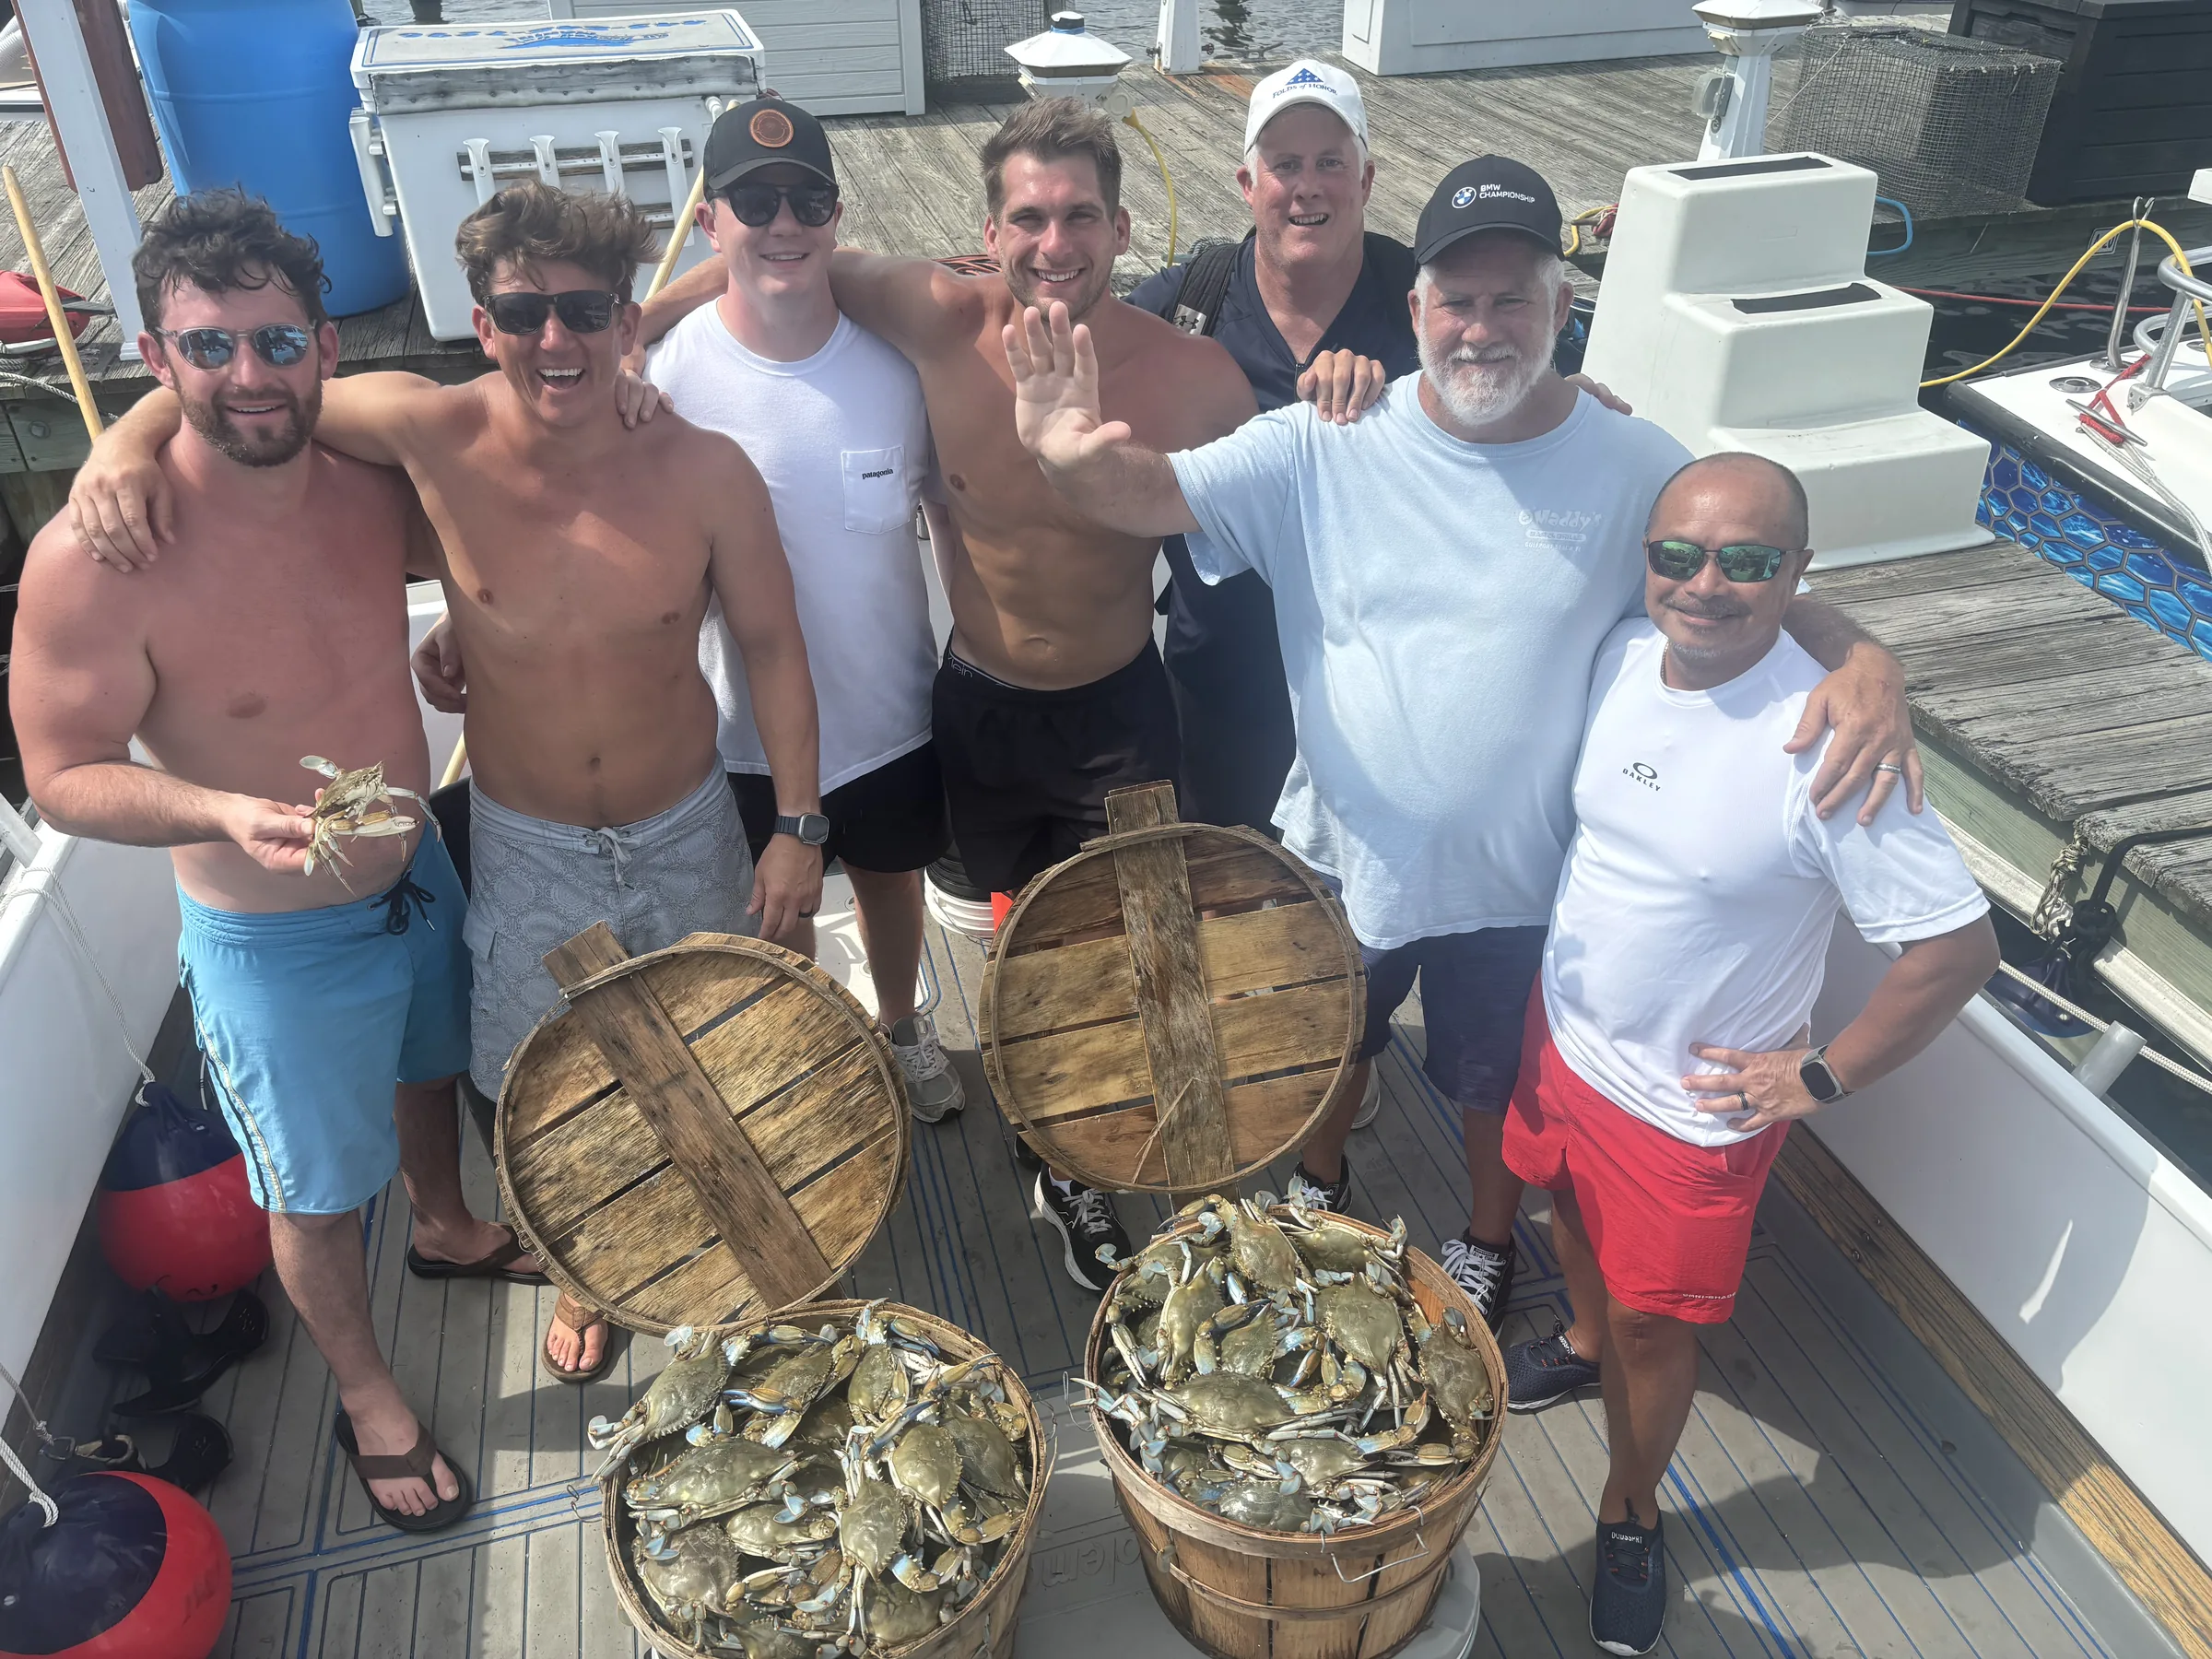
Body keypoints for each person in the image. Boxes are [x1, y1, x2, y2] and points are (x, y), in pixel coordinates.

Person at [1001, 154, 1926, 1329]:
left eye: (1512, 299)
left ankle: (1486, 1239)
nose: (1481, 327)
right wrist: (1059, 447)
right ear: (1416, 310)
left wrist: (1862, 658)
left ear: (1562, 310)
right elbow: (1143, 492)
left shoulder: (1639, 463)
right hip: (1343, 851)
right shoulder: (1319, 440)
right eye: (1458, 299)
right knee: (1324, 1050)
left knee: (1497, 1085)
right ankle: (1316, 1192)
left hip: (1532, 876)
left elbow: (1741, 570)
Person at [65, 182, 824, 1384]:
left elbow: (776, 648)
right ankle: (586, 1267)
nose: (555, 342)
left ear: (630, 323)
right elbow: (264, 391)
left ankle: (726, 1236)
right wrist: (123, 436)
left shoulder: (708, 470)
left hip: (689, 827)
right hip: (525, 841)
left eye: (585, 312)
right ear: (483, 325)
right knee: (536, 1082)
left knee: (714, 1043)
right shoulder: (430, 432)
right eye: (524, 314)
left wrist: (796, 824)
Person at [633, 95, 1265, 1292]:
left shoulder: (1196, 377)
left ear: (1123, 227)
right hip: (978, 707)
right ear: (986, 230)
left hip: (1120, 705)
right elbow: (769, 261)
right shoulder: (935, 316)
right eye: (1028, 216)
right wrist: (633, 323)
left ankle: (1193, 1198)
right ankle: (1061, 1160)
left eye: (1081, 215)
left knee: (1147, 954)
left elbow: (1300, 502)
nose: (1054, 241)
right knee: (1023, 951)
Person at [12, 191, 542, 1532]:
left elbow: (499, 517)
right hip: (269, 937)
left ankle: (446, 1223)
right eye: (208, 348)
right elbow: (63, 774)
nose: (248, 376)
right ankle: (368, 1395)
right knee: (309, 1192)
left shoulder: (368, 491)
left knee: (435, 1073)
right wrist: (211, 808)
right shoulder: (95, 554)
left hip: (416, 874)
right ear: (154, 349)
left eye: (278, 342)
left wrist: (454, 642)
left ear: (325, 345)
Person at [1497, 452, 1997, 1654]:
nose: (1706, 584)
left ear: (1798, 571)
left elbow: (1956, 947)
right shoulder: (1621, 656)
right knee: (1562, 1212)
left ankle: (1629, 1509)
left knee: (1660, 1330)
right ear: (1648, 559)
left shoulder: (1830, 743)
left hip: (1692, 1110)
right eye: (1680, 554)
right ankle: (1575, 1338)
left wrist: (1818, 1076)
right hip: (1565, 1038)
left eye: (1750, 561)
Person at [415, 98, 964, 1121]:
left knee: (893, 885)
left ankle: (899, 1028)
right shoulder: (650, 378)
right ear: (711, 220)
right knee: (772, 924)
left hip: (888, 707)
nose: (783, 220)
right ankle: (806, 1061)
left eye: (808, 198)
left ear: (839, 215)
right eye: (754, 201)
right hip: (735, 736)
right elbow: (580, 516)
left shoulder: (898, 368)